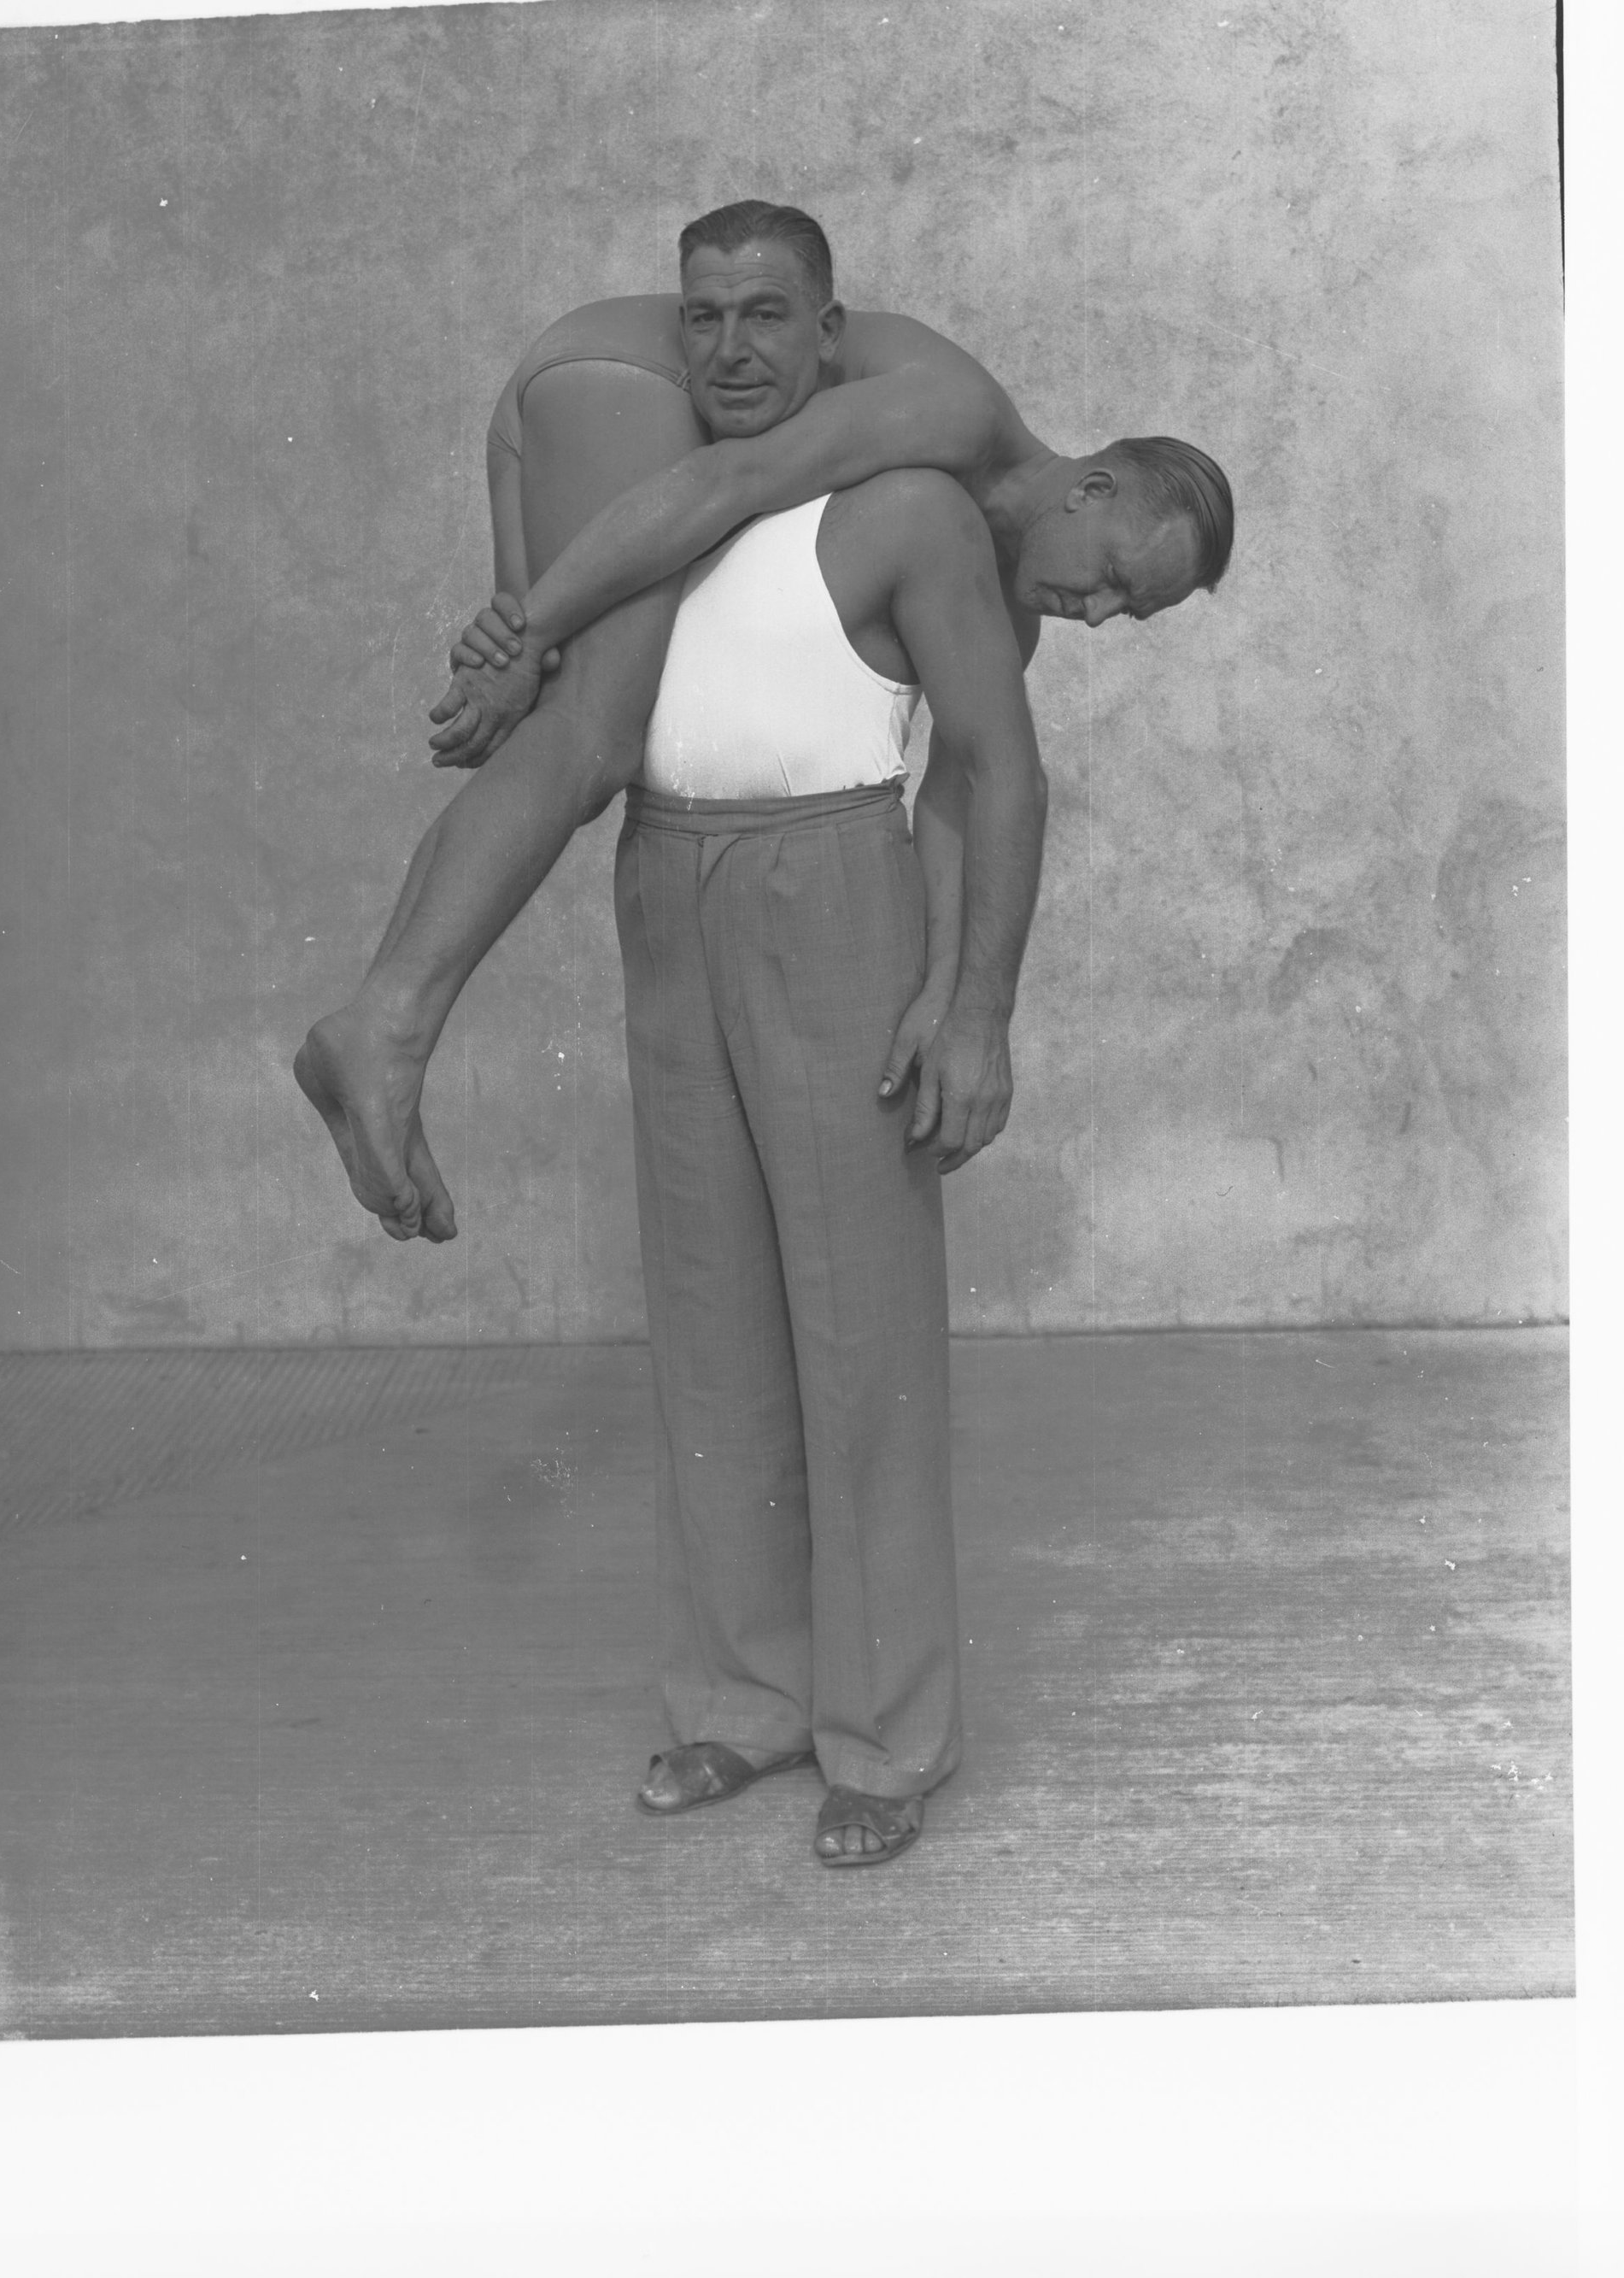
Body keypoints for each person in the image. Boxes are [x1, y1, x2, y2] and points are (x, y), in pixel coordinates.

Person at [294, 201, 1233, 1245]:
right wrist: (527, 635)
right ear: (1091, 486)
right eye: (1110, 575)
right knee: (592, 725)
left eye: (1126, 611)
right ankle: (390, 1023)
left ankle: (380, 1028)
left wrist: (944, 987)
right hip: (622, 376)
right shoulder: (956, 418)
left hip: (566, 395)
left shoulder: (1003, 613)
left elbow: (960, 787)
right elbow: (725, 478)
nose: (1097, 613)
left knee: (554, 733)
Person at [609, 312, 1044, 1869]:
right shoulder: (656, 507)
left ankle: (885, 1736)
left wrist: (971, 1003)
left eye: (767, 315)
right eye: (703, 314)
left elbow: (998, 761)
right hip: (666, 880)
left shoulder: (905, 511)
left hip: (835, 886)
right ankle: (740, 1703)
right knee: (712, 1314)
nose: (734, 344)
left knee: (861, 1333)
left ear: (831, 333)